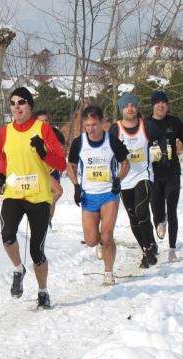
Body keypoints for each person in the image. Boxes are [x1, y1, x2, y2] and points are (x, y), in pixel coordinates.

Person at [0, 87, 66, 308]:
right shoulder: (4, 132)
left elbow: (61, 163)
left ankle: (43, 291)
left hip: (39, 196)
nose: (17, 106)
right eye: (13, 103)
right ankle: (18, 269)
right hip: (14, 193)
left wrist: (44, 153)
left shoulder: (43, 130)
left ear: (30, 106)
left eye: (21, 102)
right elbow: (4, 158)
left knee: (36, 250)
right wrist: (0, 174)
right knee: (7, 233)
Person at [66, 105, 129, 286]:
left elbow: (126, 163)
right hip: (88, 196)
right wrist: (76, 187)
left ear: (102, 122)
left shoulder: (112, 141)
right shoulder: (79, 143)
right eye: (87, 125)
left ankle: (108, 273)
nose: (91, 129)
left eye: (94, 124)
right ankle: (101, 244)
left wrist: (118, 179)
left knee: (107, 236)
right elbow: (70, 165)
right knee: (92, 240)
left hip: (109, 195)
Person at [109, 93, 168, 269]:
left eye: (133, 105)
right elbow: (107, 149)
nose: (130, 108)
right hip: (124, 178)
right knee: (133, 217)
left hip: (143, 175)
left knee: (141, 210)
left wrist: (163, 154)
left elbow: (161, 137)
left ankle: (149, 247)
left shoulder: (147, 126)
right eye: (126, 106)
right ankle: (147, 249)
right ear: (122, 109)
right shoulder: (115, 129)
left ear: (137, 108)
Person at [148, 91, 183, 263]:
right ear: (153, 105)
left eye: (164, 103)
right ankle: (161, 220)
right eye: (158, 103)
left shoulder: (174, 122)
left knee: (172, 209)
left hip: (172, 172)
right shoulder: (146, 124)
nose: (161, 105)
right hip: (153, 174)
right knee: (156, 210)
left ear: (167, 105)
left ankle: (172, 250)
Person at [35, 110, 65, 227]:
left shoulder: (55, 133)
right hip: (40, 170)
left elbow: (63, 147)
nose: (44, 123)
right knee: (58, 191)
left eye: (46, 120)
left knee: (53, 194)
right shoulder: (33, 134)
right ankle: (41, 215)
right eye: (41, 121)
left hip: (54, 169)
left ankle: (48, 221)